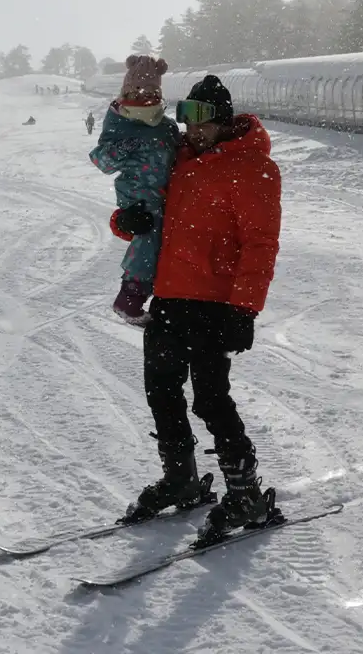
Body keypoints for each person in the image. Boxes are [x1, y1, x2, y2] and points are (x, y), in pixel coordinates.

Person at [109, 74, 283, 548]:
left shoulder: (253, 169)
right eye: (185, 115)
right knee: (161, 390)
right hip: (169, 298)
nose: (190, 128)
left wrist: (244, 309)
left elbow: (261, 246)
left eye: (200, 118)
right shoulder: (182, 161)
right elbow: (147, 210)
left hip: (214, 305)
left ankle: (246, 494)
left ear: (224, 120)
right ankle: (181, 478)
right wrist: (126, 221)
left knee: (210, 399)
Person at [89, 55, 177, 327]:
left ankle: (151, 294)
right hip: (138, 196)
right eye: (137, 90)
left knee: (165, 244)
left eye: (151, 91)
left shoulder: (167, 126)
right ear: (126, 91)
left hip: (167, 195)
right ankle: (130, 297)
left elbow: (181, 156)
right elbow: (102, 161)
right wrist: (126, 146)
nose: (144, 96)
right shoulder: (119, 121)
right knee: (148, 240)